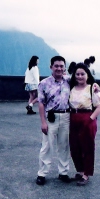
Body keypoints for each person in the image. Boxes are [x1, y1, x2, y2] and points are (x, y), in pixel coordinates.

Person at [36, 56, 72, 185]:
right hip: (51, 117)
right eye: (56, 66)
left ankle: (63, 172)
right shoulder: (44, 83)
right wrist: (43, 122)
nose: (59, 68)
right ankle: (42, 173)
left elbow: (85, 82)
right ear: (51, 67)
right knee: (47, 146)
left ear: (65, 68)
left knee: (64, 145)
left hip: (66, 116)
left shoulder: (69, 80)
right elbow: (41, 103)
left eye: (61, 66)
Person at [69, 63, 100, 186]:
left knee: (87, 147)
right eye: (77, 74)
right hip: (73, 118)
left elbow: (99, 107)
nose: (80, 76)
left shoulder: (92, 88)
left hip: (87, 118)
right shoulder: (71, 87)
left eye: (82, 74)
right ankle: (80, 170)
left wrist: (90, 119)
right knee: (74, 146)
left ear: (87, 75)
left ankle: (86, 174)